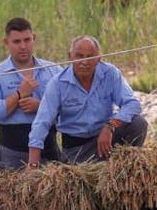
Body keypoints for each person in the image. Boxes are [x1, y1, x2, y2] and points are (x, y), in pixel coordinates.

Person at [26, 36, 147, 165]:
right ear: (70, 57)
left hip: (105, 139)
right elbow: (41, 122)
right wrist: (33, 163)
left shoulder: (110, 74)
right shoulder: (57, 84)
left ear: (98, 59)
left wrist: (110, 126)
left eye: (90, 57)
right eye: (79, 56)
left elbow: (133, 104)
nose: (85, 62)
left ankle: (126, 166)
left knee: (138, 123)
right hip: (76, 149)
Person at [0, 16, 59, 169]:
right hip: (12, 153)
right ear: (6, 42)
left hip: (48, 149)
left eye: (27, 40)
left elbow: (69, 107)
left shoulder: (53, 70)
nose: (23, 46)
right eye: (16, 41)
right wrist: (19, 94)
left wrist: (41, 106)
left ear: (34, 38)